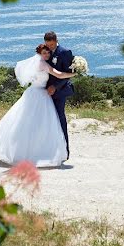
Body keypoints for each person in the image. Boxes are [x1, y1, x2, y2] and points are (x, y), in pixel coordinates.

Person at [0, 43, 76, 167]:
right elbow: (59, 75)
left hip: (33, 93)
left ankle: (23, 151)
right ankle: (38, 153)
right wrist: (73, 74)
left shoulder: (36, 63)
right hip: (40, 95)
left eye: (48, 52)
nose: (47, 54)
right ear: (39, 53)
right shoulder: (43, 64)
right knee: (40, 125)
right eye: (44, 53)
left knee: (27, 123)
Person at [43, 31, 74, 160]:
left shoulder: (65, 52)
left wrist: (55, 87)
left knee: (60, 118)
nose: (49, 47)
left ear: (56, 40)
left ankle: (64, 151)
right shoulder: (44, 52)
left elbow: (67, 74)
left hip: (60, 92)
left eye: (51, 44)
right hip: (44, 92)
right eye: (47, 44)